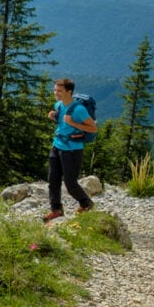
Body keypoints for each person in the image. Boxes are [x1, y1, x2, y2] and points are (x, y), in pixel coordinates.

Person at [44, 78, 97, 223]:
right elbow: (63, 124)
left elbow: (93, 128)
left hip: (73, 150)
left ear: (69, 92)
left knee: (70, 183)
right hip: (57, 146)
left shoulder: (79, 109)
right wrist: (54, 118)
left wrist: (72, 122)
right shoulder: (59, 105)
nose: (56, 93)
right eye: (55, 90)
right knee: (53, 181)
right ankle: (56, 210)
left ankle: (86, 203)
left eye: (59, 91)